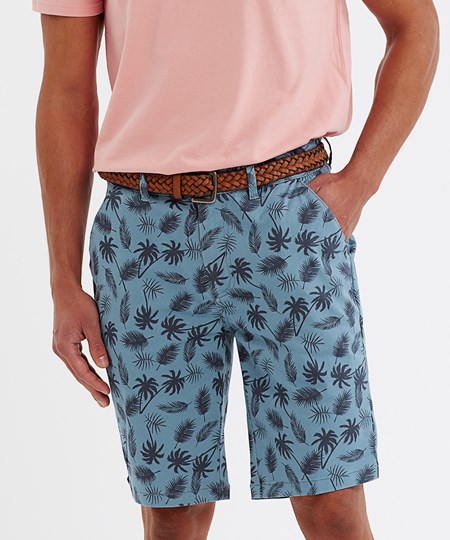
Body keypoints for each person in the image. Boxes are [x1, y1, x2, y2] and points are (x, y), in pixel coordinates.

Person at [32, 0, 439, 538]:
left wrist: (361, 181)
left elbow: (414, 24)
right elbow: (65, 90)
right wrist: (62, 280)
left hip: (288, 220)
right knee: (172, 514)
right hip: (145, 234)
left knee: (332, 499)